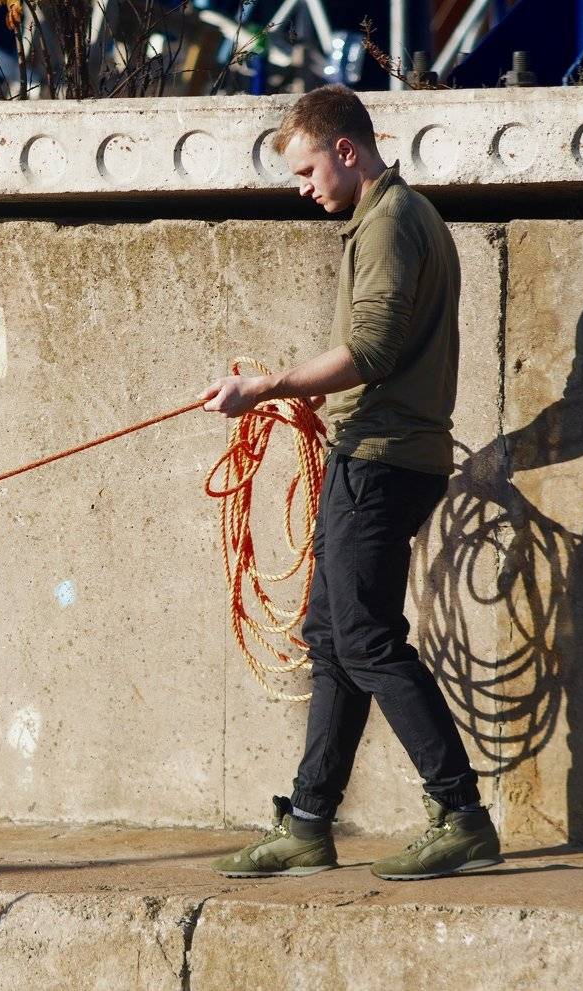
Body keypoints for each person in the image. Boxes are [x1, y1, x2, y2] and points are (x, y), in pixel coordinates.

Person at [200, 84, 500, 881]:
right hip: (369, 453)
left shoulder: (392, 222)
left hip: (382, 459)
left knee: (364, 639)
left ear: (346, 149)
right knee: (332, 638)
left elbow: (369, 349)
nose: (303, 188)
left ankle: (462, 814)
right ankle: (308, 822)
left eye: (307, 171)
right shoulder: (395, 218)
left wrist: (266, 387)